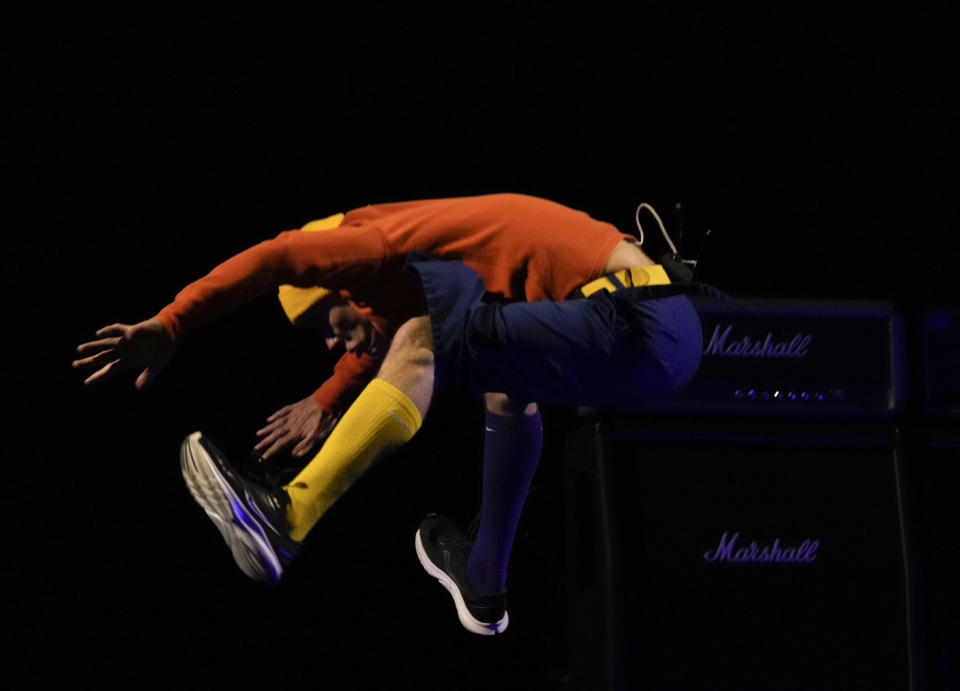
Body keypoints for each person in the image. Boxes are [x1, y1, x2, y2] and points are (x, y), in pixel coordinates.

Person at [73, 193, 708, 635]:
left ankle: (287, 518)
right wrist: (327, 397)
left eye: (325, 321)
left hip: (636, 318)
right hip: (650, 336)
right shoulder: (433, 258)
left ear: (346, 283)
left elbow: (278, 257)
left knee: (421, 343)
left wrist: (172, 321)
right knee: (503, 387)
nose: (330, 343)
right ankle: (484, 583)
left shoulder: (374, 242)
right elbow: (383, 331)